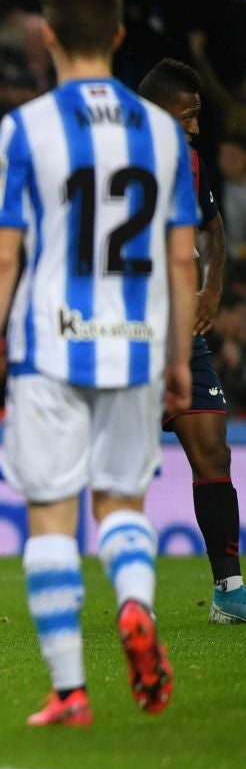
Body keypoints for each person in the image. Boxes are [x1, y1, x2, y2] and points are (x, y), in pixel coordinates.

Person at [0, 0, 200, 726]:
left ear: (49, 36)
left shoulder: (27, 127)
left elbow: (1, 256)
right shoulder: (163, 132)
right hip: (135, 343)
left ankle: (70, 691)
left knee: (52, 516)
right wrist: (179, 355)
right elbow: (182, 258)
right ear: (121, 34)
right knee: (122, 501)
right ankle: (134, 605)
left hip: (51, 346)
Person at [138, 59, 245, 626]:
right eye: (187, 117)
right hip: (124, 335)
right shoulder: (113, 166)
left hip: (181, 334)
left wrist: (213, 287)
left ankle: (229, 590)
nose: (195, 128)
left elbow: (213, 228)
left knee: (214, 452)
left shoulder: (193, 165)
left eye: (197, 116)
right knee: (120, 467)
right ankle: (129, 593)